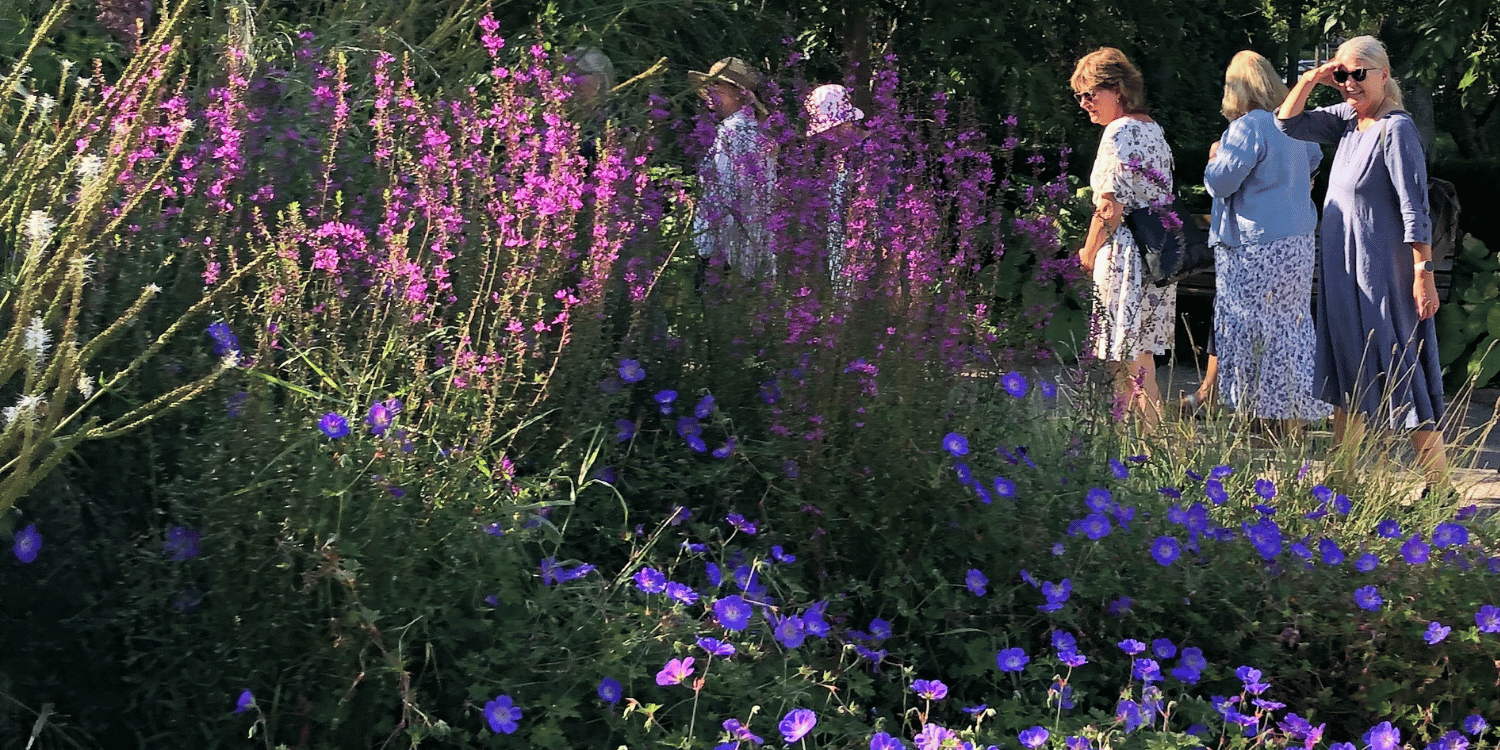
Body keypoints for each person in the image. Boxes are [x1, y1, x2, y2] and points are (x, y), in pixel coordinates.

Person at [1277, 35, 1448, 491]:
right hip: (1343, 272)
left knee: (1399, 367)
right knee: (1347, 368)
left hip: (1382, 275)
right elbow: (1287, 123)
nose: (1349, 84)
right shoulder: (1350, 122)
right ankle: (1343, 480)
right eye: (1343, 74)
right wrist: (1315, 76)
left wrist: (1423, 275)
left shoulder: (1396, 129)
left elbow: (1416, 209)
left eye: (1359, 74)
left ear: (1384, 75)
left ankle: (1439, 483)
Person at [1202, 50, 1331, 432]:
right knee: (1289, 327)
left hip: (1254, 246)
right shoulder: (1294, 125)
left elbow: (1221, 182)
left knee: (1249, 328)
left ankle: (1257, 420)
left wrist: (1213, 157)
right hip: (1298, 243)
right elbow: (1313, 162)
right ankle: (1293, 417)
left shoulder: (1248, 127)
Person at [1072, 48, 1176, 429]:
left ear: (1116, 89)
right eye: (1079, 97)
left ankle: (1159, 446)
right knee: (1136, 356)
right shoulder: (1152, 129)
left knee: (1130, 361)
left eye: (1090, 94)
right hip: (1154, 254)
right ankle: (1130, 445)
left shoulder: (1119, 131)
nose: (1084, 104)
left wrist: (1087, 251)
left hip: (1126, 255)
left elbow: (1109, 208)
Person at [689, 57, 776, 280]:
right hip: (741, 249)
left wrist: (709, 250)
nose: (709, 90)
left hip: (727, 252)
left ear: (739, 93)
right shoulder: (747, 130)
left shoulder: (736, 133)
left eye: (717, 84)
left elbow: (726, 195)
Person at [802, 83, 866, 285]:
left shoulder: (874, 153)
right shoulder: (839, 155)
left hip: (866, 254)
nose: (825, 137)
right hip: (840, 254)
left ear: (847, 123)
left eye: (830, 130)